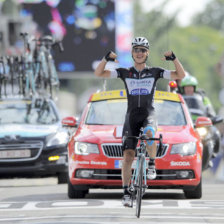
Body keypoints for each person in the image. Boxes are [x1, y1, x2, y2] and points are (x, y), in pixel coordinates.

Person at [94, 36, 186, 207]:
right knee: (128, 156)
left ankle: (151, 163)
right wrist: (106, 58)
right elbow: (99, 73)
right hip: (131, 117)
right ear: (132, 53)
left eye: (142, 50)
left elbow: (181, 75)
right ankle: (126, 193)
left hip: (148, 114)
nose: (139, 53)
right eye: (136, 50)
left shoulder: (155, 72)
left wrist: (174, 58)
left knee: (150, 133)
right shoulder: (124, 72)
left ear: (147, 53)